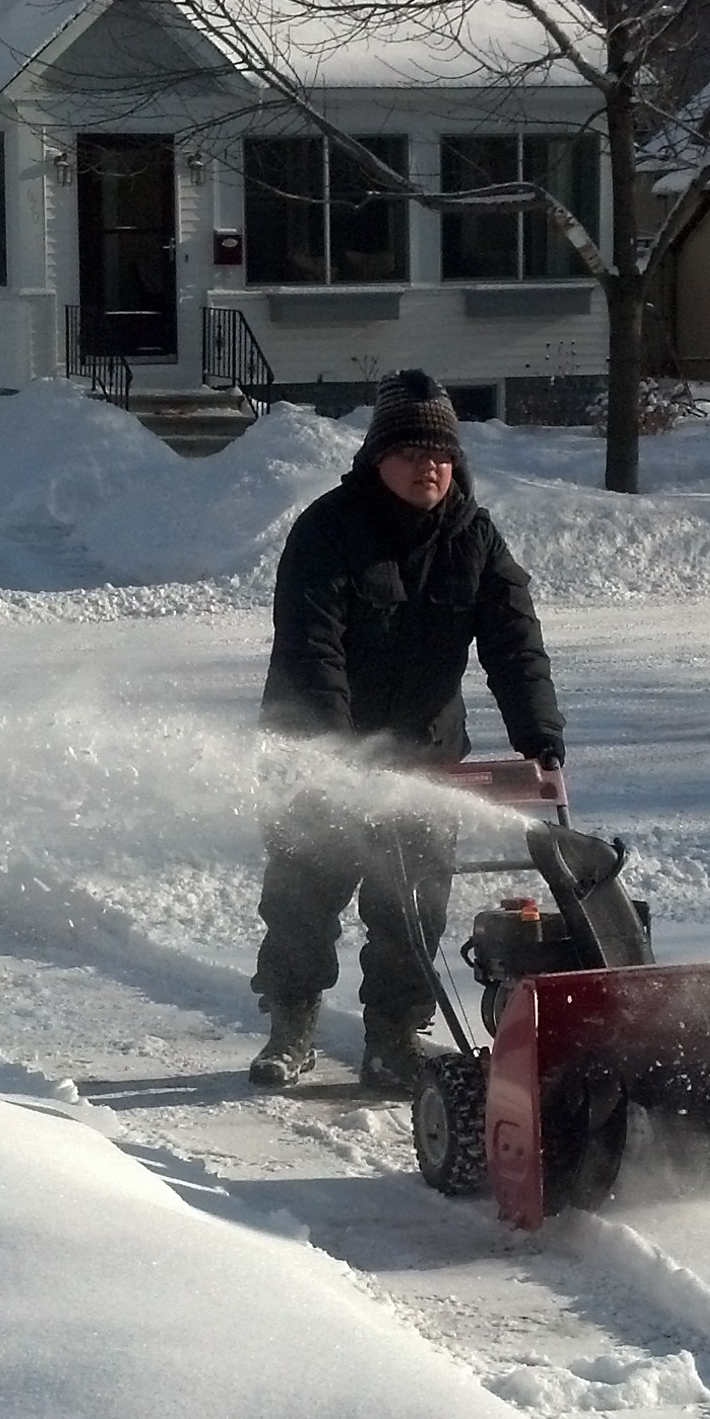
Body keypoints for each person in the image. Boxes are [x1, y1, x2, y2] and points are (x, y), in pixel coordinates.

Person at [249, 368, 565, 1093]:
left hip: (426, 753)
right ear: (377, 458)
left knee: (411, 909)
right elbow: (311, 651)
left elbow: (515, 641)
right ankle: (291, 1023)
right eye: (413, 451)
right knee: (303, 897)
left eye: (443, 452)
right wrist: (340, 757)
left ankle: (393, 1038)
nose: (431, 465)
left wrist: (538, 735)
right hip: (316, 753)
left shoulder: (474, 537)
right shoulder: (328, 532)